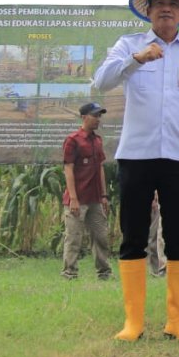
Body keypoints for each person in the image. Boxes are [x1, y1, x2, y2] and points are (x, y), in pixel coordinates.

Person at [92, 0, 179, 344]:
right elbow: (101, 82)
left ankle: (178, 322)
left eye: (173, 4)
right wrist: (136, 59)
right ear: (147, 12)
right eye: (158, 3)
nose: (166, 8)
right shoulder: (128, 45)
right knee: (133, 236)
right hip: (136, 155)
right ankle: (133, 322)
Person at [61, 102, 111, 281]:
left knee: (101, 237)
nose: (98, 119)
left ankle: (104, 272)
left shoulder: (97, 140)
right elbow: (68, 169)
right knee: (74, 238)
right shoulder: (73, 140)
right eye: (95, 115)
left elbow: (100, 169)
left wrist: (104, 195)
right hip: (77, 200)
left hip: (96, 199)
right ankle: (70, 273)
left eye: (99, 116)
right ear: (84, 117)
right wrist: (73, 198)